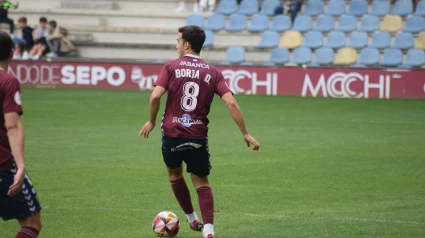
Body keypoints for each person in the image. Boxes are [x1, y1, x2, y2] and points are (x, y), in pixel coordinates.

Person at [139, 25, 260, 238]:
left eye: (177, 41)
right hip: (197, 136)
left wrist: (151, 121)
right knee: (201, 182)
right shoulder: (213, 73)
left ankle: (192, 218)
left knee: (175, 175)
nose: (176, 45)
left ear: (186, 45)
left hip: (172, 135)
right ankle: (209, 232)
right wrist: (245, 133)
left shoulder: (170, 67)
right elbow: (231, 103)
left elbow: (155, 97)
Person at [0, 30, 42, 238]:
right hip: (3, 165)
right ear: (12, 53)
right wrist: (21, 165)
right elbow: (13, 126)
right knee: (32, 223)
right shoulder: (7, 81)